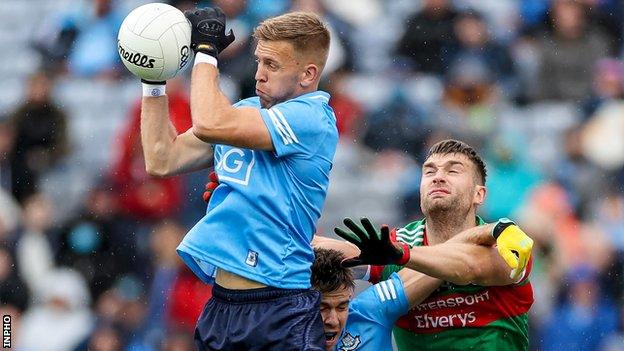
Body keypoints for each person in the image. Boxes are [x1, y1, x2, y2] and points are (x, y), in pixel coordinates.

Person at [140, 7, 336, 350]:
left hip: (278, 306)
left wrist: (205, 53)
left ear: (307, 74)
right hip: (222, 305)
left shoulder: (312, 117)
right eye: (259, 61)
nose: (259, 74)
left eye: (272, 65)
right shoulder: (245, 111)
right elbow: (162, 158)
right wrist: (153, 80)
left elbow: (210, 123)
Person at [333, 139, 535, 350]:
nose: (438, 177)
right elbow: (319, 253)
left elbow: (469, 266)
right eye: (429, 172)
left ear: (479, 194)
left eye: (453, 171)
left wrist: (402, 255)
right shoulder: (394, 245)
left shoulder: (508, 244)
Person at [312, 213, 533, 350]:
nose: (332, 319)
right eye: (322, 308)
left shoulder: (369, 312)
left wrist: (496, 229)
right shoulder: (281, 327)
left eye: (341, 306)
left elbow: (445, 261)